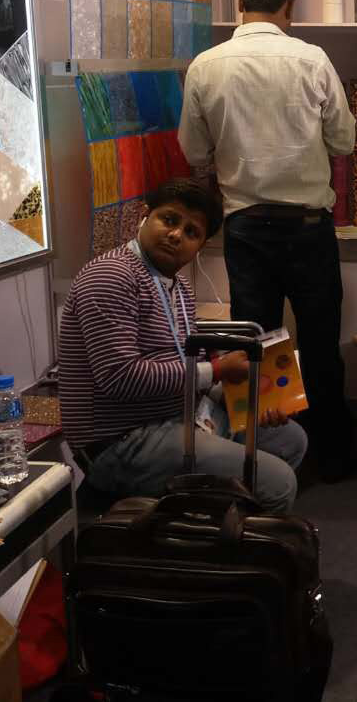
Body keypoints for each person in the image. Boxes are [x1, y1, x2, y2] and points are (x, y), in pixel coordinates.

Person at [178, 0, 357, 482]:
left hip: (245, 225)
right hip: (308, 225)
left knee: (253, 343)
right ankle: (331, 456)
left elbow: (194, 152)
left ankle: (257, 454)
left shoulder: (206, 65)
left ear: (241, 3)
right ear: (289, 6)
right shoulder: (312, 59)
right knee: (320, 342)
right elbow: (344, 140)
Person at [59, 180, 307, 513]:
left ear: (201, 245)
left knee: (291, 440)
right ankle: (222, 542)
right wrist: (217, 370)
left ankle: (208, 525)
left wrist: (249, 398)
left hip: (180, 417)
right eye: (169, 220)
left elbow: (189, 365)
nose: (176, 235)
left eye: (191, 232)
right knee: (279, 484)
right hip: (122, 439)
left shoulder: (179, 287)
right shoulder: (112, 276)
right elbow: (120, 377)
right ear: (144, 216)